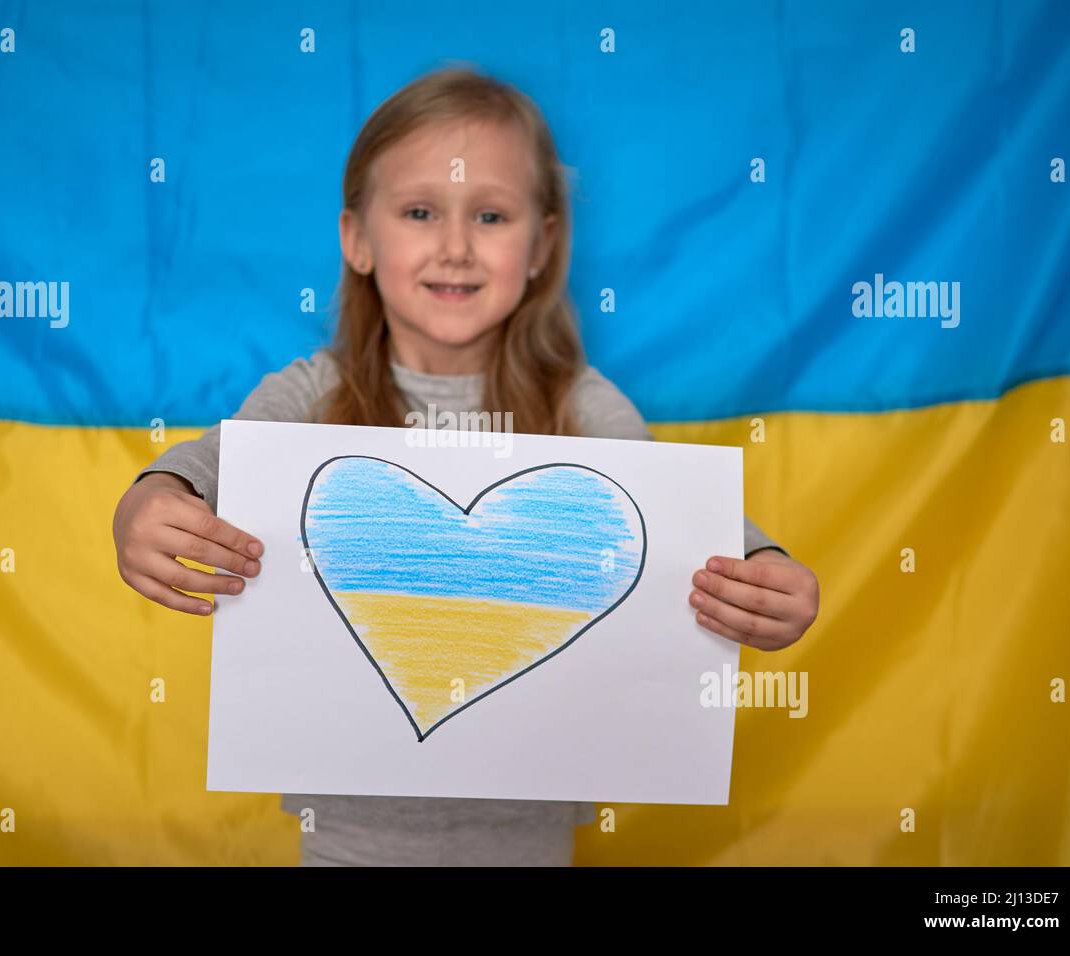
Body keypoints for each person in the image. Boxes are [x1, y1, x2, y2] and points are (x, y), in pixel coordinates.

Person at [112, 66, 820, 865]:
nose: (455, 246)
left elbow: (686, 528)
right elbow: (207, 461)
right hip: (344, 842)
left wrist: (764, 569)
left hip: (531, 841)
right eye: (419, 212)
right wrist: (151, 497)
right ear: (358, 240)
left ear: (542, 244)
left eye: (490, 214)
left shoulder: (585, 406)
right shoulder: (314, 393)